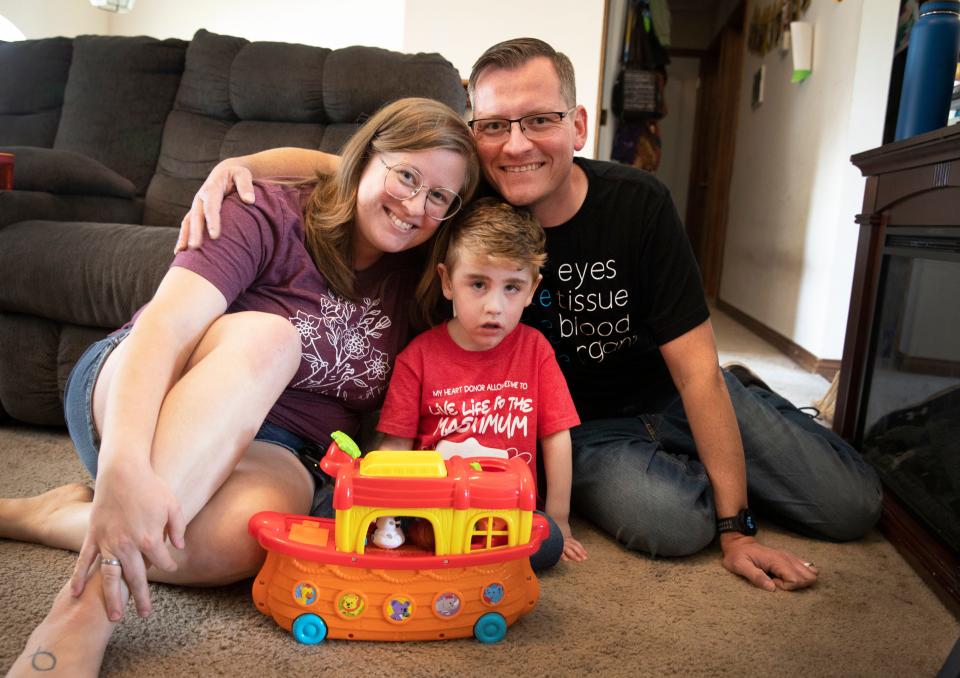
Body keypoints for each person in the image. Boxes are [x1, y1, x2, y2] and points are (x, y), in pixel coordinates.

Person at [176, 38, 883, 593]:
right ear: (473, 131)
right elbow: (356, 167)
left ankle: (749, 419)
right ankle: (701, 471)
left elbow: (695, 371)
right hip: (589, 430)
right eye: (494, 125)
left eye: (541, 120)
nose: (516, 144)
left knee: (850, 506)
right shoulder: (461, 201)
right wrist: (239, 162)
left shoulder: (638, 204)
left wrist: (738, 529)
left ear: (576, 123)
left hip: (676, 390)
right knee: (668, 525)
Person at [0, 97, 479, 676]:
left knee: (248, 542)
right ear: (363, 159)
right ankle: (83, 614)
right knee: (272, 341)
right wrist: (124, 461)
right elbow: (164, 329)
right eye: (406, 175)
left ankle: (49, 516)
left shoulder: (427, 279)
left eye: (438, 197)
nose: (413, 205)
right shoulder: (267, 208)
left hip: (281, 446)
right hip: (149, 390)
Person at [376, 197, 587, 567]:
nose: (495, 306)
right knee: (407, 535)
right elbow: (396, 445)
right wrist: (385, 512)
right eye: (478, 284)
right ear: (447, 281)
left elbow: (556, 436)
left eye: (512, 287)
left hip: (511, 512)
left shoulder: (535, 350)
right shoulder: (418, 356)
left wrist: (560, 519)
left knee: (548, 544)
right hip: (436, 511)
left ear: (533, 288)